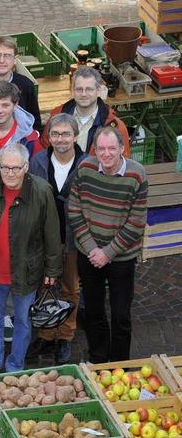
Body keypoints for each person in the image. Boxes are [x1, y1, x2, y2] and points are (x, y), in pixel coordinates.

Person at [0, 144, 62, 383]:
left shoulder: (42, 191)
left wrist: (52, 269)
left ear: (26, 167)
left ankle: (15, 366)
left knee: (23, 320)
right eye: (5, 168)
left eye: (15, 168)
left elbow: (52, 232)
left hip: (26, 269)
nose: (10, 173)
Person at [68, 126, 148, 364]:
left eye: (112, 148)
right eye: (101, 148)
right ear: (94, 149)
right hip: (89, 254)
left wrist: (108, 253)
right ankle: (98, 358)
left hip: (121, 258)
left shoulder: (137, 175)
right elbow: (74, 211)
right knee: (93, 311)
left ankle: (120, 364)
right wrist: (93, 249)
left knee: (121, 314)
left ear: (122, 149)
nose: (106, 153)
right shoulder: (85, 169)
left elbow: (136, 223)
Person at [28, 114, 87, 364]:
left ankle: (65, 335)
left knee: (70, 289)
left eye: (65, 134)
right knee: (44, 286)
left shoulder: (87, 164)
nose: (60, 139)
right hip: (44, 239)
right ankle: (46, 333)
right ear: (48, 137)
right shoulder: (38, 161)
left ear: (75, 136)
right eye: (55, 134)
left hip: (74, 238)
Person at [42, 66, 130, 158]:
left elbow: (122, 163)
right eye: (79, 89)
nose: (83, 94)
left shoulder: (116, 126)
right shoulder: (56, 116)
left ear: (99, 91)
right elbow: (45, 150)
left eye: (89, 89)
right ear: (72, 90)